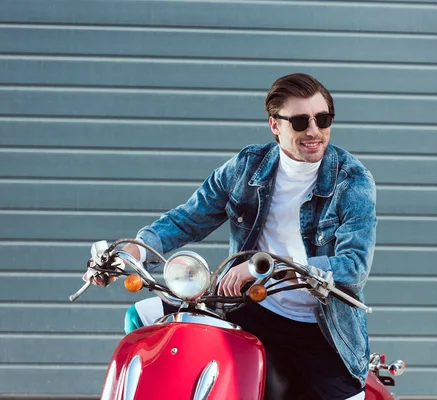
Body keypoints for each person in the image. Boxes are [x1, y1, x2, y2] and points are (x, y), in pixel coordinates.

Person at [91, 73, 377, 400]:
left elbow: (353, 267)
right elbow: (188, 218)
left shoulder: (353, 181)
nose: (314, 131)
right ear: (275, 125)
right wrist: (133, 253)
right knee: (142, 318)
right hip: (247, 303)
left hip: (320, 327)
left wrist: (268, 267)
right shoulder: (247, 167)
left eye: (322, 119)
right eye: (300, 121)